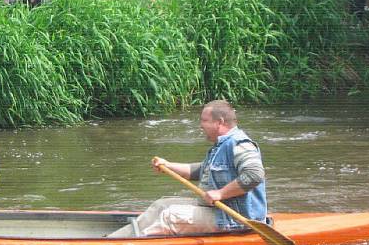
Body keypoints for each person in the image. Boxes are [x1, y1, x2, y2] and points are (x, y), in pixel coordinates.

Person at [108, 100, 266, 237]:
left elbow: (254, 175)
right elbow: (199, 171)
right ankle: (112, 238)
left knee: (171, 216)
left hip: (236, 218)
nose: (200, 126)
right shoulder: (221, 145)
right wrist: (168, 166)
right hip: (214, 210)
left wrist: (220, 193)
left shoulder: (240, 144)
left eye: (204, 120)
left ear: (219, 122)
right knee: (161, 206)